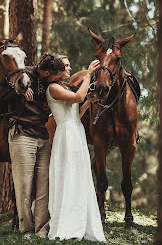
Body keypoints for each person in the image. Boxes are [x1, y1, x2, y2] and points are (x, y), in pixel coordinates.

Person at [0, 53, 65, 237]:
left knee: (43, 188)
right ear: (46, 72)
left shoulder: (50, 81)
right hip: (22, 135)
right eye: (54, 76)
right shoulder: (22, 75)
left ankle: (41, 230)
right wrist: (18, 90)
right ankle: (27, 230)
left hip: (42, 136)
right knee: (24, 187)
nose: (57, 79)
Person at [46, 56, 106, 242]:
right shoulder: (53, 88)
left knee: (79, 176)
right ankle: (67, 224)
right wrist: (88, 74)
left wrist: (88, 102)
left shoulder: (65, 87)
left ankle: (81, 221)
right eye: (66, 65)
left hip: (76, 132)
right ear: (56, 70)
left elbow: (76, 114)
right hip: (65, 136)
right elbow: (77, 97)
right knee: (67, 176)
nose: (69, 68)